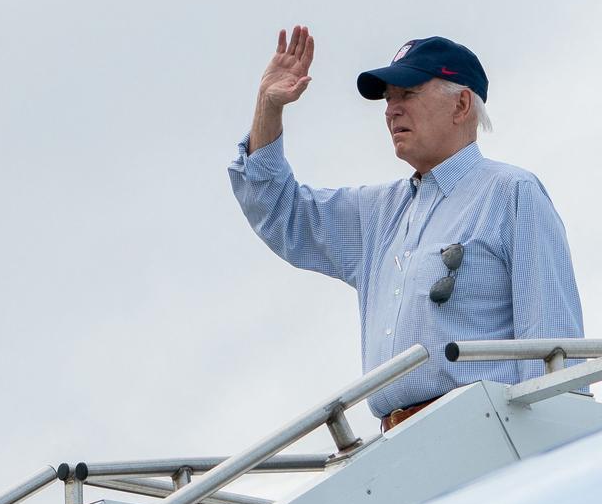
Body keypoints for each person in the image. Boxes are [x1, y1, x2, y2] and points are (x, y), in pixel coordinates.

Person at [228, 28, 584, 429]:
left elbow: (556, 353)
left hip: (486, 436)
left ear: (461, 104)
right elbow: (280, 212)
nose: (390, 110)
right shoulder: (376, 213)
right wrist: (267, 107)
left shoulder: (511, 194)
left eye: (407, 94)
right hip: (397, 446)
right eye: (388, 98)